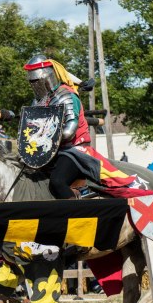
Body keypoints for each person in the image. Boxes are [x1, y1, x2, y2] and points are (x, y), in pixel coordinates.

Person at [23, 54, 92, 199]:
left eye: (36, 81)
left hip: (74, 149)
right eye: (32, 82)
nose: (34, 85)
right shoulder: (37, 101)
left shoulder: (66, 96)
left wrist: (44, 139)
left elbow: (69, 131)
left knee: (57, 182)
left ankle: (76, 210)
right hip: (51, 150)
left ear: (47, 77)